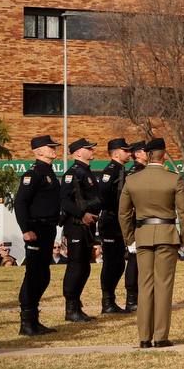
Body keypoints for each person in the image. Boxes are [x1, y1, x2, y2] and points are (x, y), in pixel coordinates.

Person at [119, 138, 184, 348]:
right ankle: (160, 336)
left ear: (147, 155)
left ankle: (144, 337)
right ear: (164, 155)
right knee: (163, 285)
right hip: (166, 234)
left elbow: (123, 213)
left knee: (145, 285)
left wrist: (130, 238)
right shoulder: (173, 179)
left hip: (142, 234)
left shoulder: (133, 180)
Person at [15, 134, 63, 336]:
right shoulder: (33, 174)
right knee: (34, 274)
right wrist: (26, 229)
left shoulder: (49, 172)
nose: (54, 149)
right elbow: (20, 203)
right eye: (49, 147)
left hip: (48, 229)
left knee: (43, 274)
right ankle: (27, 321)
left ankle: (34, 319)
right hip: (36, 230)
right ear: (38, 151)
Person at [60, 138, 101, 323]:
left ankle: (76, 305)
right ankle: (71, 308)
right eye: (88, 148)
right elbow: (64, 201)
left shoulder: (86, 172)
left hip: (87, 226)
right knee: (76, 266)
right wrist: (82, 213)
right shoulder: (73, 173)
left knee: (84, 267)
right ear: (77, 152)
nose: (92, 150)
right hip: (76, 226)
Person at [97, 138, 132, 314]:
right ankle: (107, 301)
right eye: (126, 151)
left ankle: (111, 301)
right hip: (110, 221)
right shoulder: (110, 171)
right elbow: (103, 195)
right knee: (111, 263)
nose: (129, 154)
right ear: (116, 153)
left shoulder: (121, 170)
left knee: (118, 263)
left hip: (119, 221)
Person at [121, 140, 148, 312]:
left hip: (143, 221)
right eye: (146, 151)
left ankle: (139, 297)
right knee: (134, 260)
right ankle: (132, 299)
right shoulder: (135, 172)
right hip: (136, 221)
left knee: (141, 261)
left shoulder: (144, 171)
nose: (148, 154)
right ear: (137, 154)